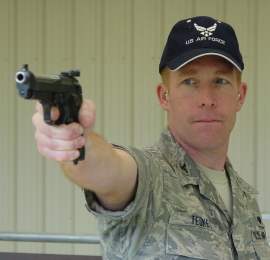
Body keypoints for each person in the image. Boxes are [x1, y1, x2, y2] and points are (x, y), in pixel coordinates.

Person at [32, 16, 270, 259]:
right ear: (164, 96)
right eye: (190, 81)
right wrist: (78, 142)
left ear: (240, 96)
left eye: (220, 81)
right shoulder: (151, 176)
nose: (207, 98)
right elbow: (109, 171)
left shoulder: (244, 198)